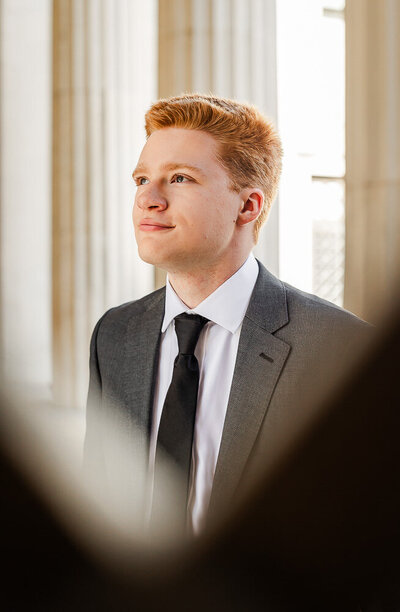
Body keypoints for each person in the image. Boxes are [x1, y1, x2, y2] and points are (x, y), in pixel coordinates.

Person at [84, 93, 369, 539]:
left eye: (179, 178)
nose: (148, 199)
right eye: (141, 178)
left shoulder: (340, 348)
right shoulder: (114, 334)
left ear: (248, 206)